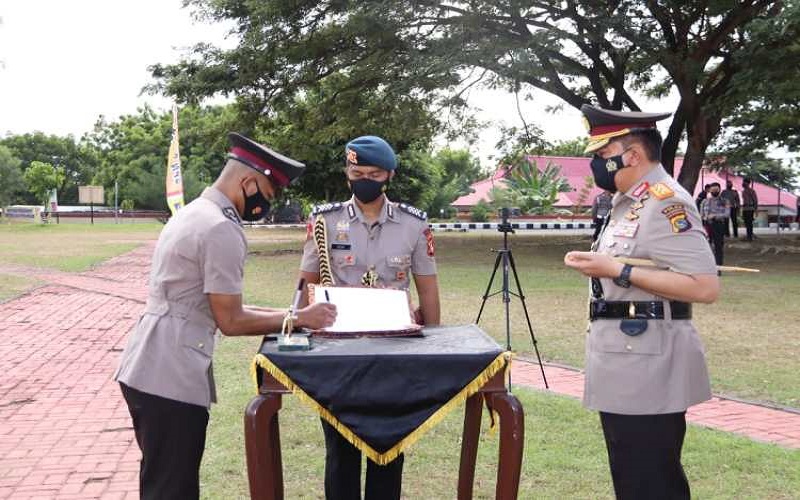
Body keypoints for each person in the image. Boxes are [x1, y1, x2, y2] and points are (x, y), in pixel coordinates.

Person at [114, 133, 337, 499]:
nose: (267, 203)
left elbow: (224, 306)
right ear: (248, 182)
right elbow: (231, 320)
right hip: (171, 374)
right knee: (173, 488)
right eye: (267, 193)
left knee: (161, 480)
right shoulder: (220, 227)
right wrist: (298, 319)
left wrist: (298, 314)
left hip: (148, 363)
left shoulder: (194, 213)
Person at [564, 105, 720, 500]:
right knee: (632, 478)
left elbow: (704, 286)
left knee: (651, 482)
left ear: (631, 155)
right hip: (625, 359)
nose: (596, 164)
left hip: (649, 365)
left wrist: (618, 270)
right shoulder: (628, 202)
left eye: (602, 155)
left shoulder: (666, 203)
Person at [298, 135, 441, 500]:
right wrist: (299, 329)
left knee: (389, 449)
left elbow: (427, 288)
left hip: (394, 352)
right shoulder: (324, 221)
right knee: (340, 450)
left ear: (388, 175)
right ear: (347, 172)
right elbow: (307, 286)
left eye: (373, 173)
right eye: (356, 171)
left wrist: (437, 344)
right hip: (338, 352)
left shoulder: (414, 224)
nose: (364, 179)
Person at [701, 182, 729, 267]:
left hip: (719, 225)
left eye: (716, 190)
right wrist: (706, 218)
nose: (714, 191)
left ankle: (718, 266)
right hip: (707, 225)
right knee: (706, 247)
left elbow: (727, 214)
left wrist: (715, 216)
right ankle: (708, 267)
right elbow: (701, 214)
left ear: (720, 190)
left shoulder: (724, 201)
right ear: (710, 190)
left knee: (718, 247)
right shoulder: (704, 201)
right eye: (713, 190)